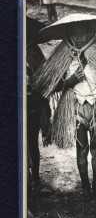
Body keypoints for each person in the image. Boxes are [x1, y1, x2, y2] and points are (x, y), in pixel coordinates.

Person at [34, 13, 96, 201]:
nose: (79, 36)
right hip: (75, 107)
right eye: (74, 31)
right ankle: (85, 187)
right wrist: (70, 81)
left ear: (89, 30)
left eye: (83, 30)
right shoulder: (63, 54)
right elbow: (48, 86)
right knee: (82, 148)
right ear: (67, 32)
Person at [26, 17, 51, 189]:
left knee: (31, 141)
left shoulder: (35, 54)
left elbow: (48, 83)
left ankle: (34, 177)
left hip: (32, 107)